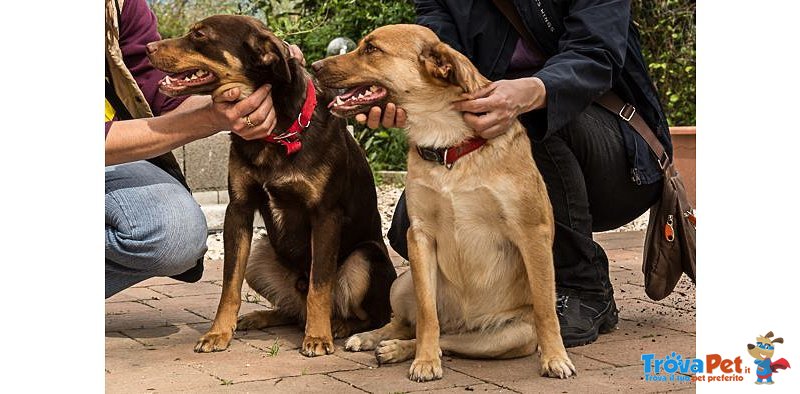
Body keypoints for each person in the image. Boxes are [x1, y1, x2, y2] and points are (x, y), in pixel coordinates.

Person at [360, 0, 672, 347]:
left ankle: (584, 287)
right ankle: (492, 306)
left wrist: (532, 92)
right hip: (494, 126)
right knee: (410, 222)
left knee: (528, 124)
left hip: (616, 157)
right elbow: (440, 58)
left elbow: (597, 53)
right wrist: (398, 95)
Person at [104, 0, 303, 297]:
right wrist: (208, 119)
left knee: (174, 233)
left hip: (112, 159)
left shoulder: (118, 6)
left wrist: (244, 96)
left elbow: (164, 98)